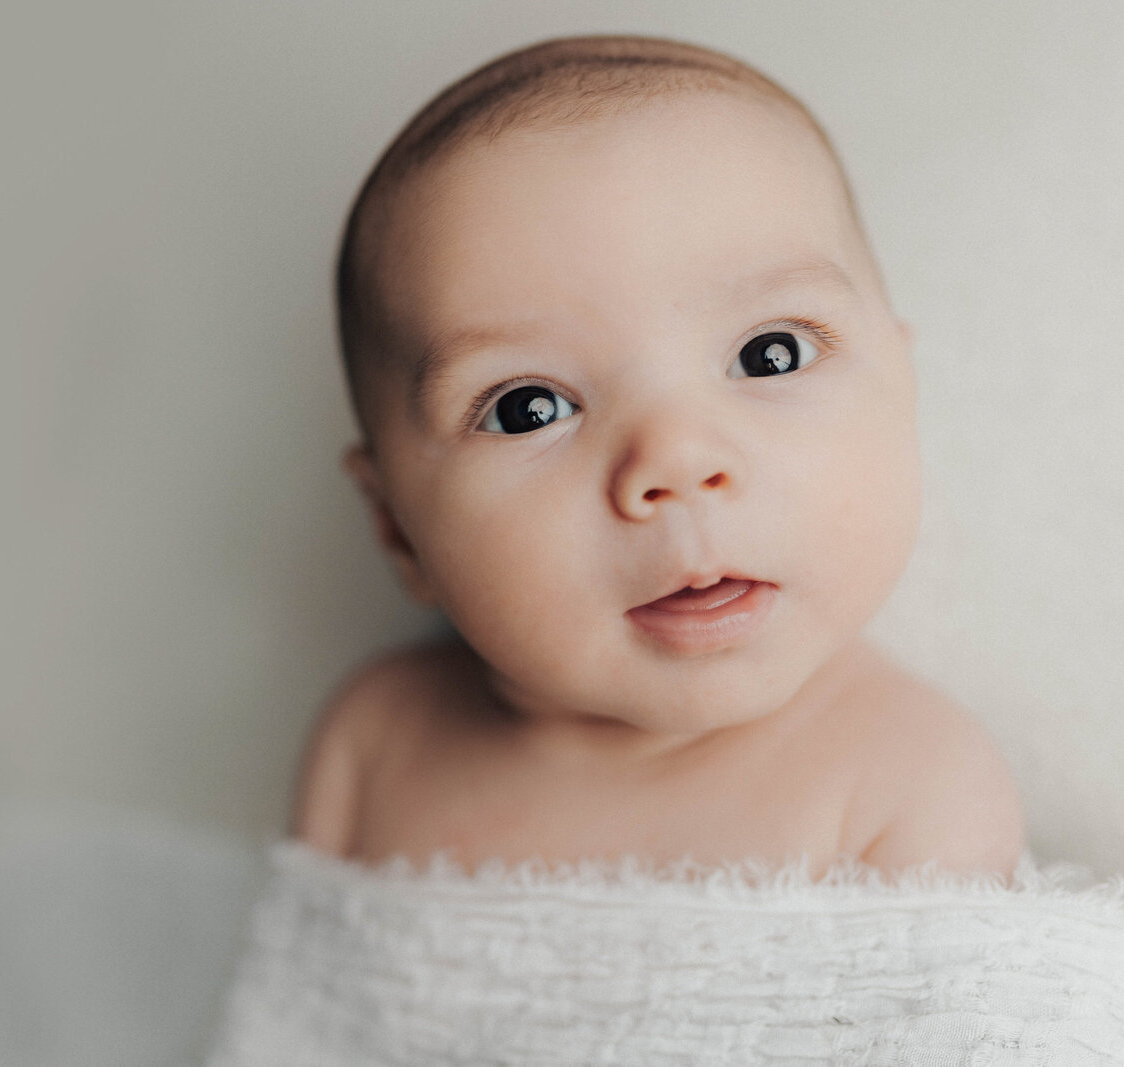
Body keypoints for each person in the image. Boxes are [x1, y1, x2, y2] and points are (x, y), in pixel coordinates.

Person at [294, 33, 1025, 882]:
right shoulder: (375, 745)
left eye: (770, 354)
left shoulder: (909, 785)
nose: (676, 464)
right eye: (530, 408)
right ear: (395, 529)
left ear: (905, 390)